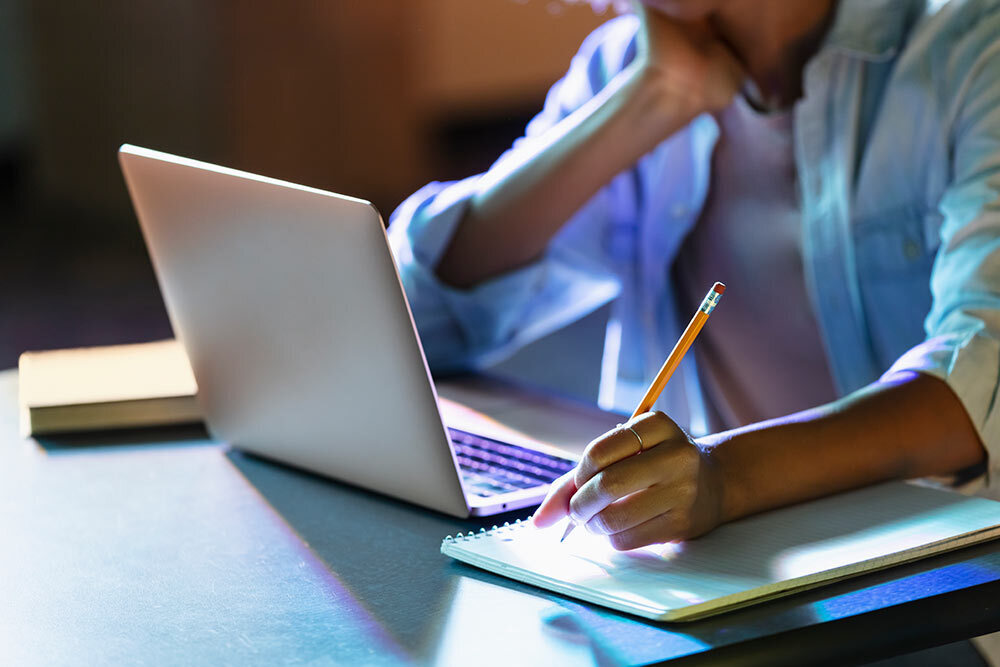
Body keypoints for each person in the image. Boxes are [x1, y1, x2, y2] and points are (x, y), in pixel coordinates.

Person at [390, 0, 998, 563]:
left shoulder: (971, 45)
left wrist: (723, 477)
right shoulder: (626, 64)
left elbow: (981, 382)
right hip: (716, 582)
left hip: (940, 592)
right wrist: (652, 96)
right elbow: (414, 322)